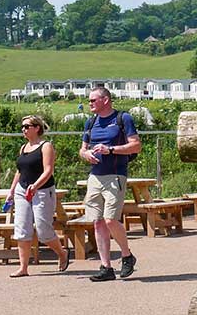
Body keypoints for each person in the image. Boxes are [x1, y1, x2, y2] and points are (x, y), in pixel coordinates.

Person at [78, 86, 141, 281]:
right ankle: (106, 267)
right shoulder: (91, 121)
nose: (90, 104)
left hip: (115, 175)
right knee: (97, 222)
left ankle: (127, 255)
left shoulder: (123, 119)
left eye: (93, 100)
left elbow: (136, 145)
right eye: (89, 101)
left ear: (105, 100)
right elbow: (82, 149)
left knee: (111, 220)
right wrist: (86, 154)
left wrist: (111, 150)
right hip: (95, 176)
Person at [6, 115, 70, 278]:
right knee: (22, 229)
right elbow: (20, 171)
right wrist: (12, 191)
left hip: (42, 191)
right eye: (22, 127)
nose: (24, 130)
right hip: (23, 191)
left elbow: (48, 170)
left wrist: (36, 186)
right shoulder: (23, 148)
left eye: (27, 126)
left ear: (37, 128)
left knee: (43, 230)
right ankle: (23, 268)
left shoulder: (46, 146)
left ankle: (62, 253)